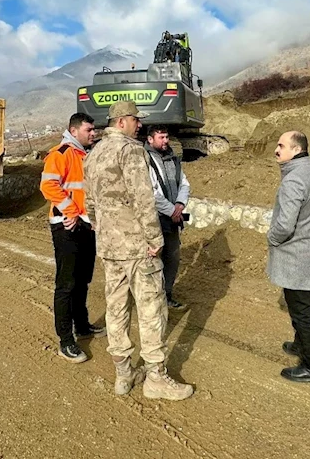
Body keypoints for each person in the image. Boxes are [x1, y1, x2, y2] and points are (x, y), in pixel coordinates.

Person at [83, 100, 194, 400]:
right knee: (151, 308)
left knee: (116, 308)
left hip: (109, 247)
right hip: (136, 247)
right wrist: (155, 239)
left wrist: (101, 229)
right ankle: (155, 377)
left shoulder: (93, 154)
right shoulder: (130, 150)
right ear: (122, 121)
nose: (139, 124)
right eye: (136, 119)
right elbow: (143, 199)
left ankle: (124, 374)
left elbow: (90, 202)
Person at [266, 131, 310, 384]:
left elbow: (285, 225)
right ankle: (300, 343)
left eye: (281, 146)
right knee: (299, 303)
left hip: (294, 254)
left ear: (296, 150)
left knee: (302, 310)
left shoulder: (293, 180)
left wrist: (271, 238)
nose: (276, 150)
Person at [40, 113, 106, 364]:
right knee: (66, 284)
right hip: (67, 227)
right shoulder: (61, 154)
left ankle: (83, 326)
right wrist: (71, 212)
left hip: (86, 226)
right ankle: (66, 340)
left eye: (94, 129)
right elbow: (48, 186)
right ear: (74, 130)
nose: (93, 133)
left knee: (82, 281)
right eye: (89, 129)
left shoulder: (84, 155)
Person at [144, 125, 190, 311]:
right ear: (150, 139)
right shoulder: (146, 160)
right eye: (161, 137)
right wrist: (172, 211)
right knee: (154, 261)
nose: (165, 141)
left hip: (172, 219)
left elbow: (184, 183)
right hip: (155, 220)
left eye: (166, 137)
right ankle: (152, 300)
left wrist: (179, 204)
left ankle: (166, 295)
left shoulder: (173, 158)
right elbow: (151, 193)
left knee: (173, 258)